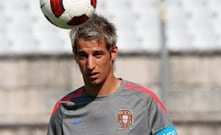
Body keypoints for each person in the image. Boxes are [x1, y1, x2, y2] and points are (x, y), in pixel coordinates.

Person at [47, 14, 177, 135]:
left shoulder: (144, 102)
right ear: (75, 56)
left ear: (113, 52)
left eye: (98, 54)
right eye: (83, 56)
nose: (90, 65)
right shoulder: (64, 110)